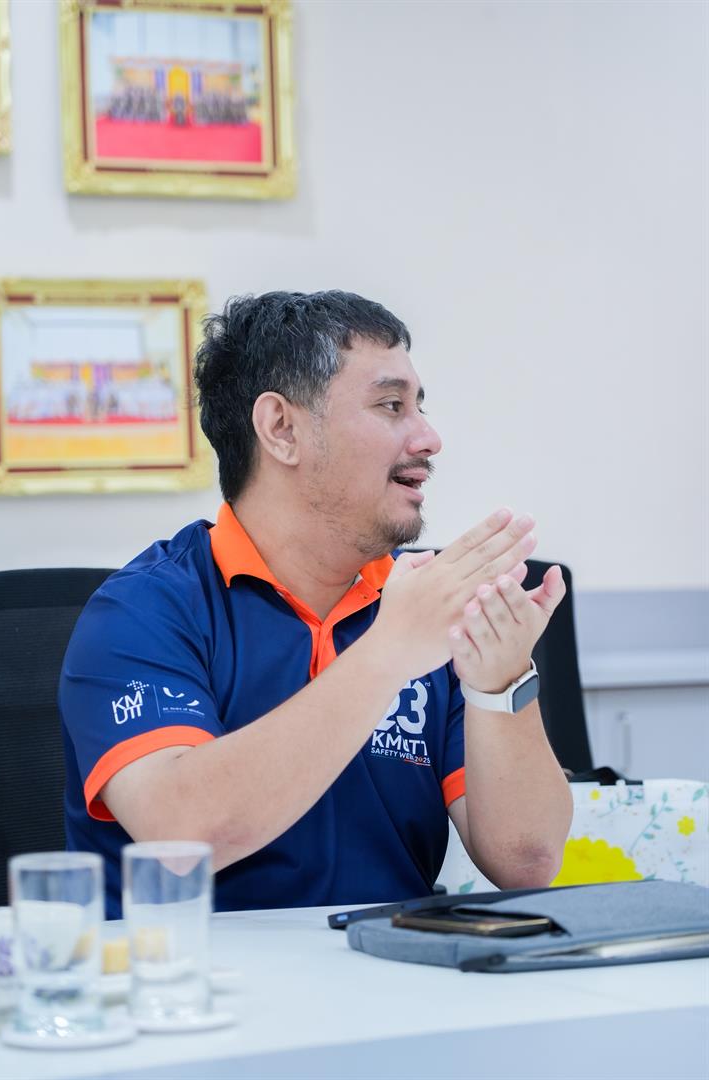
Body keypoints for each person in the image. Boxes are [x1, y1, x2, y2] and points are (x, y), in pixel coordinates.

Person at [60, 291, 573, 918]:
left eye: (421, 406)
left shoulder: (424, 605)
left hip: (390, 964)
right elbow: (184, 833)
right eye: (391, 406)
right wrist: (390, 650)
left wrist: (501, 683)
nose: (430, 438)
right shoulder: (143, 611)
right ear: (282, 429)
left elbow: (528, 862)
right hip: (193, 973)